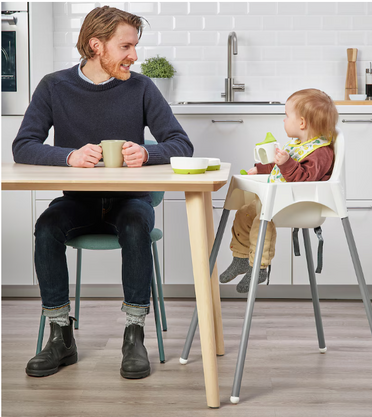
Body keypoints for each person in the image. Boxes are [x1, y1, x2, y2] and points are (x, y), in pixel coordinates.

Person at [12, 6, 193, 379]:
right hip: (78, 201)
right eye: (126, 46)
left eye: (135, 46)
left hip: (131, 201)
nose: (134, 55)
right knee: (47, 228)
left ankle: (134, 335)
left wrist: (148, 153)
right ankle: (61, 336)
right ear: (97, 45)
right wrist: (69, 157)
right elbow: (23, 145)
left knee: (134, 227)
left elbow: (181, 143)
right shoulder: (54, 86)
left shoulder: (142, 87)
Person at [220, 88, 338, 293]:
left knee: (260, 220)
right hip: (279, 200)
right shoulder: (299, 144)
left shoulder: (320, 152)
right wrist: (260, 169)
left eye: (286, 116)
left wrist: (286, 163)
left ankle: (259, 266)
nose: (283, 120)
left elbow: (304, 179)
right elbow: (281, 168)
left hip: (300, 204)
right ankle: (240, 259)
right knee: (244, 213)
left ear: (301, 123)